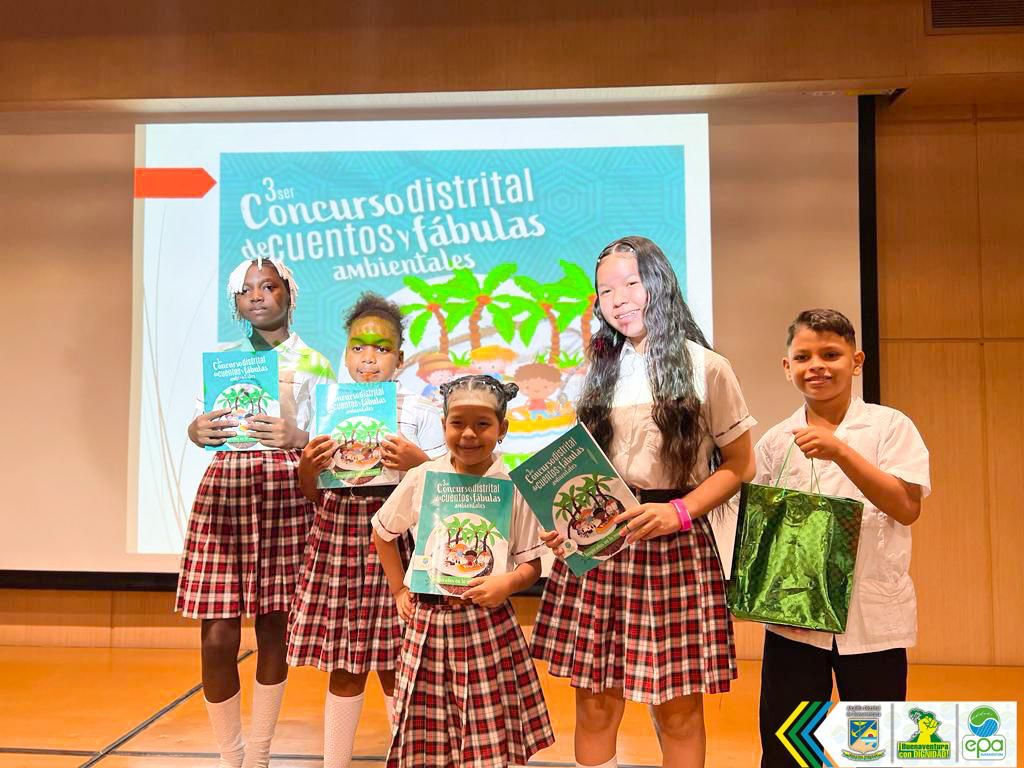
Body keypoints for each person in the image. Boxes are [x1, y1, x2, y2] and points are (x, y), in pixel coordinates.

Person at [532, 236, 756, 768]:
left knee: (677, 711)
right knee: (594, 705)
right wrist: (562, 525)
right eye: (606, 289)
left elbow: (741, 465)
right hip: (602, 544)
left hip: (675, 546)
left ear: (660, 284)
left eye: (631, 283)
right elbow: (579, 470)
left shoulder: (707, 367)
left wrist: (677, 512)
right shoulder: (596, 372)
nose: (620, 298)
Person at [755, 309, 930, 768]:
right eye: (803, 356)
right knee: (790, 746)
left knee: (872, 747)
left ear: (856, 361)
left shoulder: (891, 426)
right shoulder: (775, 441)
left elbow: (906, 507)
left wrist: (842, 453)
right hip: (793, 618)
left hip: (871, 618)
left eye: (830, 354)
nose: (817, 365)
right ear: (787, 366)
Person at [177, 257, 334, 768]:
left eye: (268, 286)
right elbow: (203, 427)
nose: (257, 296)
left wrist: (301, 437)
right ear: (236, 304)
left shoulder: (316, 362)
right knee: (218, 634)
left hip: (285, 494)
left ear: (289, 294)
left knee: (274, 628)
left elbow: (333, 441)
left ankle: (261, 754)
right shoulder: (222, 360)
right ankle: (231, 755)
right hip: (225, 495)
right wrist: (195, 431)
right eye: (245, 290)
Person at [288, 293, 445, 768]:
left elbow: (447, 485)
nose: (369, 358)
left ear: (400, 357)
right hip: (338, 540)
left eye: (381, 348)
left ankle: (407, 756)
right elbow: (314, 494)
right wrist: (307, 470)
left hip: (399, 541)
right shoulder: (330, 406)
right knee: (346, 664)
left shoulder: (419, 408)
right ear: (346, 353)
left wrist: (418, 463)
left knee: (402, 665)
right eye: (358, 347)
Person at [371, 375, 555, 768]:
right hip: (428, 626)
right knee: (427, 739)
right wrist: (399, 592)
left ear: (502, 429)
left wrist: (508, 581)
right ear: (443, 425)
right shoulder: (423, 477)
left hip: (488, 626)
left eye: (483, 424)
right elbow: (383, 532)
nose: (469, 434)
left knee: (487, 738)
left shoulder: (512, 484)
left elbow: (531, 564)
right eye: (457, 423)